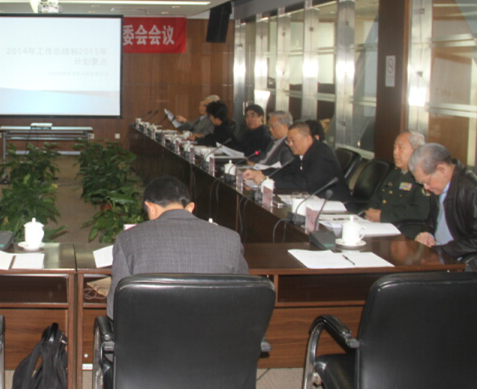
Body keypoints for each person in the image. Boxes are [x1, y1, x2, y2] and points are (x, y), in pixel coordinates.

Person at [107, 176, 248, 319]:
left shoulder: (127, 239)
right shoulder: (231, 239)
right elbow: (244, 299)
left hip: (151, 331)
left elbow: (116, 309)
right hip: (216, 331)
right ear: (190, 208)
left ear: (151, 208)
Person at [409, 143, 477, 270]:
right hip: (443, 254)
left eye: (426, 182)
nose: (426, 187)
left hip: (472, 262)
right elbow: (433, 219)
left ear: (441, 170)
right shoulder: (439, 185)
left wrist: (444, 250)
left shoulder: (471, 190)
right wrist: (427, 232)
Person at [243, 121, 351, 204]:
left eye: (293, 141)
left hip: (335, 204)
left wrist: (268, 181)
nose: (290, 144)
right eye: (288, 141)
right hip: (313, 201)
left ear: (307, 139)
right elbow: (286, 171)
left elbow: (305, 184)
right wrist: (261, 173)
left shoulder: (321, 154)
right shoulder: (302, 153)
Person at [364, 130, 432, 238]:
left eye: (401, 148)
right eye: (395, 147)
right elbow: (379, 194)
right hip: (381, 225)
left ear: (416, 151)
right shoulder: (396, 172)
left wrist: (383, 216)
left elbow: (420, 210)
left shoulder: (422, 176)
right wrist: (371, 211)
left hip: (402, 230)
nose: (395, 152)